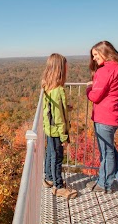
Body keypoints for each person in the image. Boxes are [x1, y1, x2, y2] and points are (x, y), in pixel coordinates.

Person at [86, 41, 118, 194]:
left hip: (104, 117)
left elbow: (95, 96)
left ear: (105, 52)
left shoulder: (104, 71)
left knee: (106, 152)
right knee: (109, 149)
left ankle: (104, 184)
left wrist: (89, 88)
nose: (94, 58)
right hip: (116, 116)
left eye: (96, 55)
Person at [42, 53, 78, 199]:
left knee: (50, 153)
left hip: (49, 129)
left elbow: (52, 110)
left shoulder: (47, 87)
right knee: (57, 158)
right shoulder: (59, 90)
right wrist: (64, 137)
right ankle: (58, 187)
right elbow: (59, 118)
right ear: (60, 70)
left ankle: (49, 178)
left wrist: (65, 107)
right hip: (57, 130)